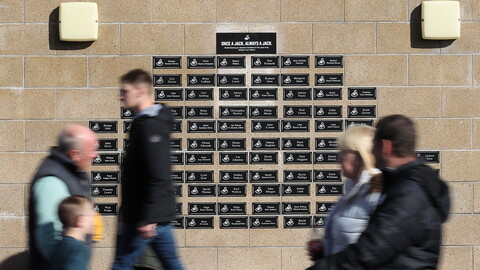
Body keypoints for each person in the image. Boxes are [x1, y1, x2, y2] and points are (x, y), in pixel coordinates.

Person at [307, 114, 450, 270]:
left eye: (374, 146)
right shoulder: (398, 185)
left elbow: (369, 252)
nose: (372, 153)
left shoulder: (408, 193)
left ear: (386, 147)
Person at [112, 69, 184, 270]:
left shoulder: (151, 127)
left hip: (145, 216)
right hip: (148, 215)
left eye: (125, 91)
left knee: (121, 265)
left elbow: (158, 173)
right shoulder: (143, 123)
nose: (121, 96)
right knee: (172, 264)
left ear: (141, 90)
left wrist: (148, 218)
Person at [28, 125, 99, 270]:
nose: (95, 155)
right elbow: (49, 237)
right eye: (91, 150)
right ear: (74, 154)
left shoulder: (72, 171)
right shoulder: (51, 182)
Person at [308, 126, 383, 259]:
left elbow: (376, 251)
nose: (338, 159)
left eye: (343, 153)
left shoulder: (376, 192)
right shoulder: (352, 190)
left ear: (360, 156)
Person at [49, 195, 94, 270]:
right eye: (90, 215)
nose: (93, 219)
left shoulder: (59, 245)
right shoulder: (78, 250)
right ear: (79, 220)